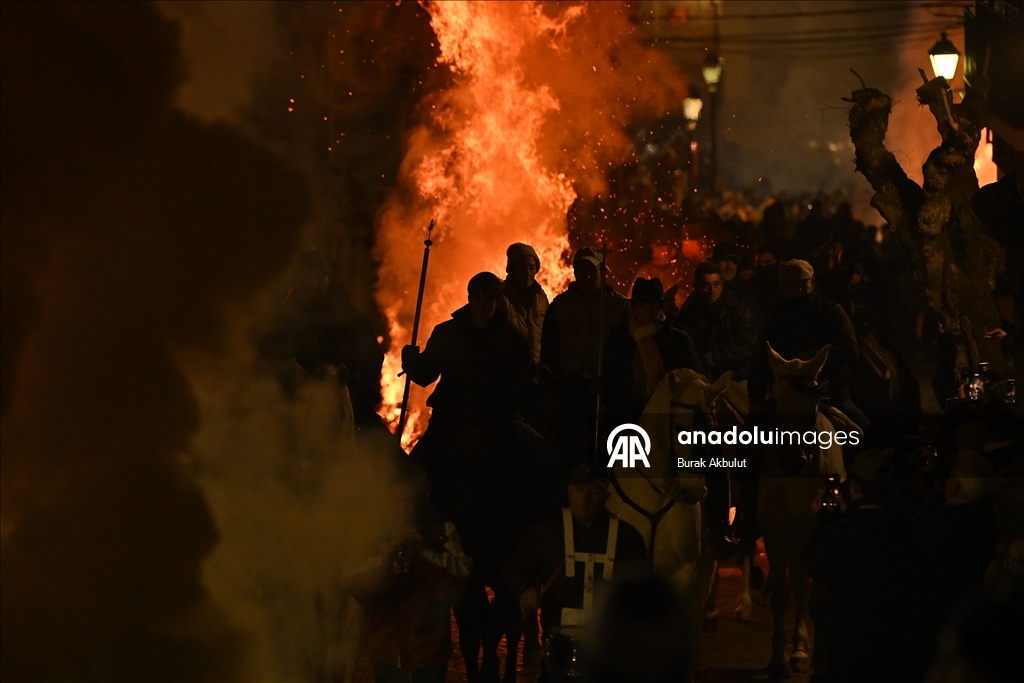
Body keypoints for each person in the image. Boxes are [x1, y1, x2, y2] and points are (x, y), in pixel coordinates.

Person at [505, 464, 650, 682]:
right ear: (568, 491)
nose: (585, 498)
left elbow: (643, 587)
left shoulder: (627, 538)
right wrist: (525, 589)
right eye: (579, 489)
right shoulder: (547, 532)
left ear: (606, 495)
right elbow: (516, 568)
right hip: (559, 648)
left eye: (593, 491)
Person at [805, 449, 933, 683]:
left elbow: (814, 565)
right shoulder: (909, 528)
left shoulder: (843, 532)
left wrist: (824, 524)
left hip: (851, 648)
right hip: (898, 647)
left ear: (854, 488)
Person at [402, 272, 533, 479]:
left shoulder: (513, 341)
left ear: (497, 301)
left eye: (488, 299)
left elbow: (519, 389)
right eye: (476, 298)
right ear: (469, 298)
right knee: (415, 475)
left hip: (493, 426)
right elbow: (426, 374)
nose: (482, 305)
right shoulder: (447, 333)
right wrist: (411, 362)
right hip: (449, 421)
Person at [347, 465, 472, 683]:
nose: (403, 509)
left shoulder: (442, 529)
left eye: (409, 501)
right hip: (385, 648)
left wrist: (424, 552)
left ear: (422, 499)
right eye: (396, 501)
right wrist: (385, 561)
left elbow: (462, 576)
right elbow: (352, 579)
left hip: (428, 649)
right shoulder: (371, 530)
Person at [747, 259, 868, 430]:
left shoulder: (832, 312)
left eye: (804, 282)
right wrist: (757, 401)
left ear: (812, 282)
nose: (801, 287)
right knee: (748, 438)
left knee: (864, 431)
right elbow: (759, 362)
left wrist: (813, 357)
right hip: (787, 397)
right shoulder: (776, 320)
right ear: (784, 286)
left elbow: (850, 349)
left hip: (829, 395)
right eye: (794, 283)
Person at [539, 247, 628, 465]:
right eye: (582, 272)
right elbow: (549, 351)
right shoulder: (561, 306)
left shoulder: (620, 306)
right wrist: (559, 385)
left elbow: (627, 351)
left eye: (592, 271)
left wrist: (612, 381)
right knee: (574, 452)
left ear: (603, 271)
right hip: (572, 392)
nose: (587, 276)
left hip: (608, 392)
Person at [602, 277, 704, 426]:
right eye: (643, 305)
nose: (649, 311)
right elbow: (611, 379)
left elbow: (693, 380)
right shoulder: (620, 339)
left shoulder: (677, 340)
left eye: (654, 305)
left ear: (661, 307)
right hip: (626, 417)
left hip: (665, 419)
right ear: (634, 307)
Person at [673, 262, 758, 382]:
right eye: (706, 286)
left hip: (735, 377)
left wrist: (716, 357)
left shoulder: (738, 310)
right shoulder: (689, 311)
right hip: (702, 378)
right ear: (696, 286)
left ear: (722, 284)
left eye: (716, 284)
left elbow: (750, 345)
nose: (712, 291)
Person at [501, 242, 548, 364]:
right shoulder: (501, 297)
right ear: (512, 269)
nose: (528, 272)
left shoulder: (541, 298)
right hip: (510, 373)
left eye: (532, 268)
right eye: (522, 268)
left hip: (537, 372)